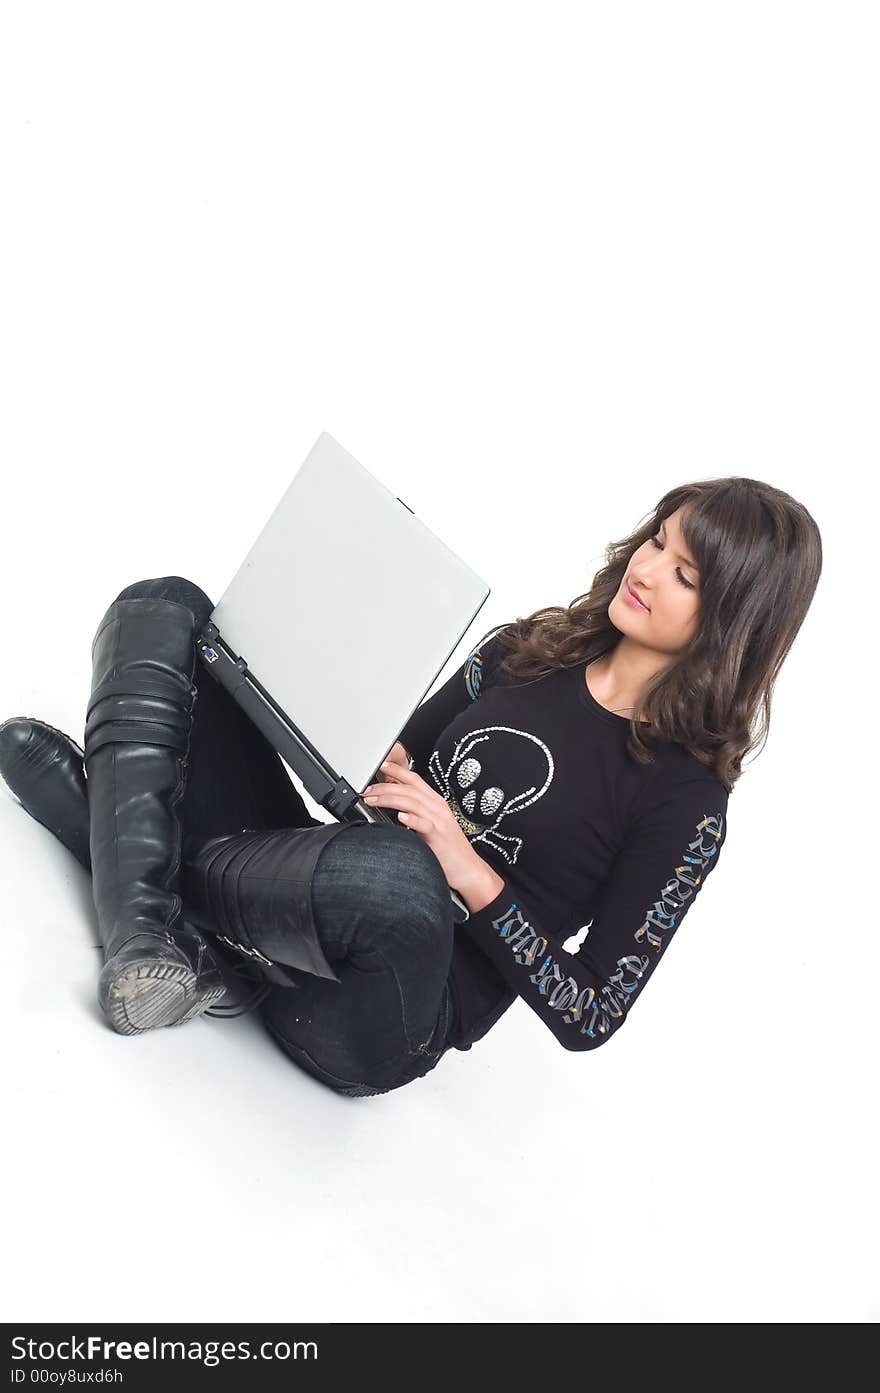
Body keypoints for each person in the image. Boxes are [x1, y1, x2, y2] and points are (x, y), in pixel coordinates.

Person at [0, 476, 822, 1097]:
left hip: (379, 1008)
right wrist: (333, 703)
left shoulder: (688, 805)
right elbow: (380, 782)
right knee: (170, 606)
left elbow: (592, 1011)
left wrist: (466, 868)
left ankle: (125, 849)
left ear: (730, 623)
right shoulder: (529, 647)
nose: (647, 570)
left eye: (685, 575)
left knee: (402, 878)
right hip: (307, 881)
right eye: (658, 543)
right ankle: (151, 936)